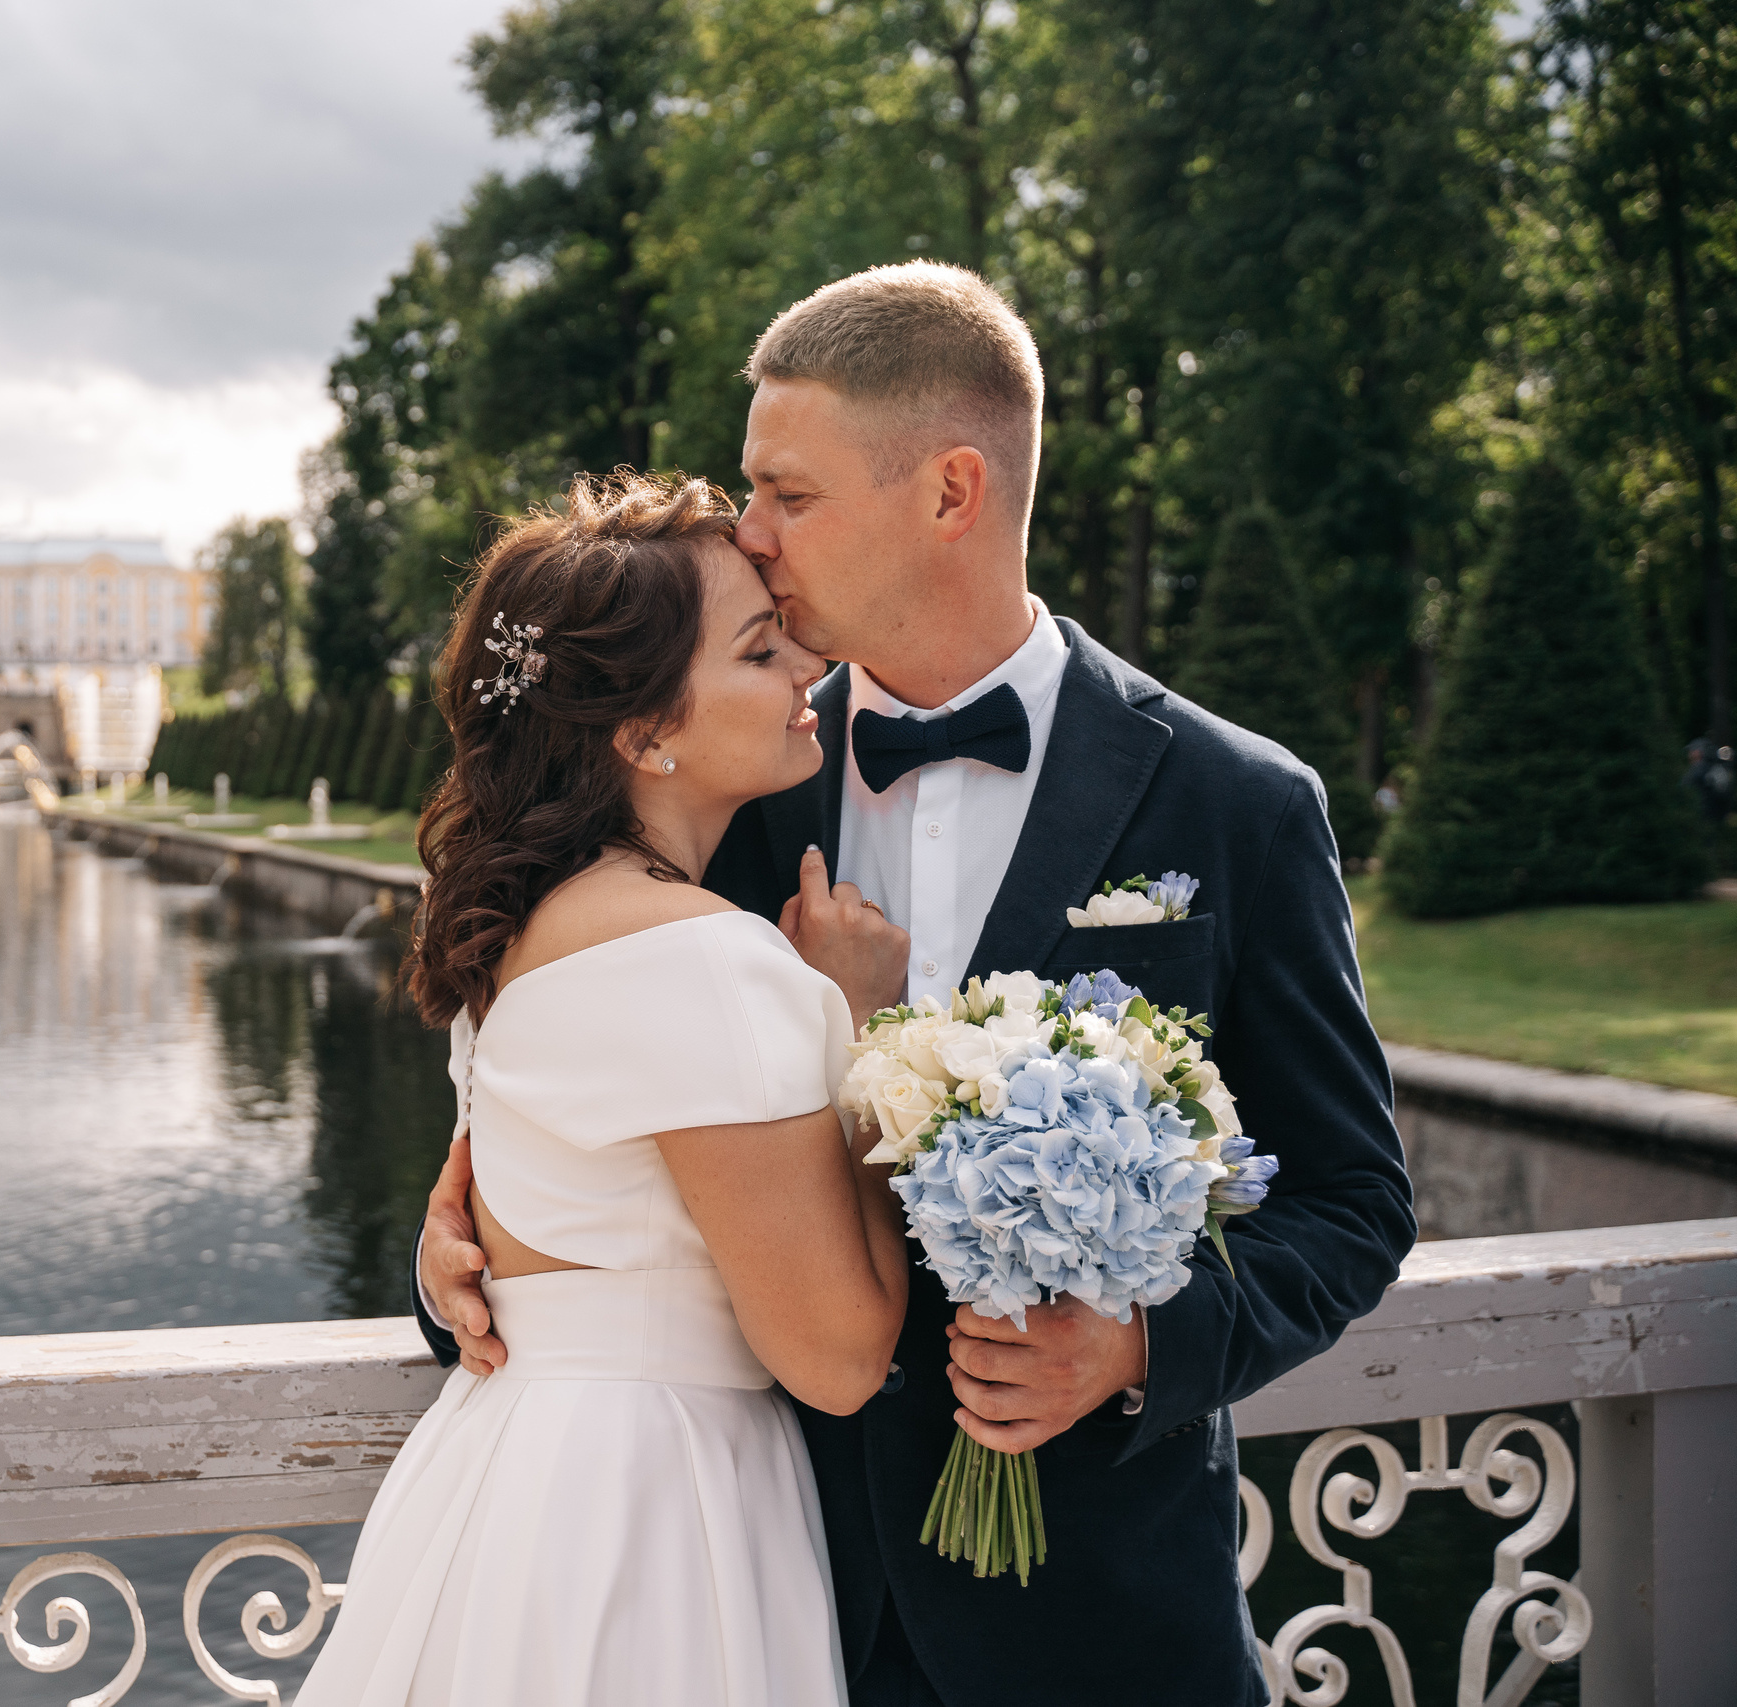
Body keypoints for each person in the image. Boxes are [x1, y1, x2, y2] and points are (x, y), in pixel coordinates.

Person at [415, 262, 1416, 1707]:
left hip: (1109, 1624)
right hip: (765, 1595)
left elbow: (1352, 1199)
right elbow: (590, 1137)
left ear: (951, 491)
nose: (750, 535)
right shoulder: (717, 780)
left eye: (789, 494)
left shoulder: (1236, 802)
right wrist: (456, 1261)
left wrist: (1140, 1342)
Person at [298, 473, 915, 1707]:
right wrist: (861, 1030)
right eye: (760, 651)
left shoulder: (521, 925)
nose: (809, 665)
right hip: (656, 1506)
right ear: (640, 733)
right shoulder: (704, 958)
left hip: (512, 1474)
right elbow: (841, 1359)